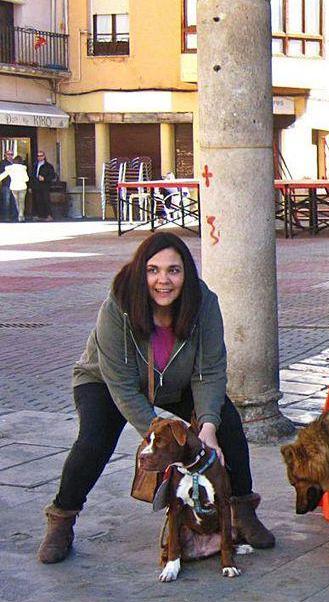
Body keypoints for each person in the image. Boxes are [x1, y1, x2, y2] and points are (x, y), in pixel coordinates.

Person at [37, 231, 275, 564]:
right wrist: (158, 434)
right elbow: (119, 383)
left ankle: (242, 509)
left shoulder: (203, 303)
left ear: (186, 274)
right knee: (93, 440)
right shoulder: (117, 307)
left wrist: (207, 427)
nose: (163, 280)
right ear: (141, 272)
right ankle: (62, 518)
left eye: (173, 270)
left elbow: (210, 370)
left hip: (177, 384)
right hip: (105, 381)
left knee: (228, 424)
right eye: (153, 270)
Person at [0, 155, 30, 222]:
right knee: (21, 202)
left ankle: (18, 215)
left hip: (14, 186)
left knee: (16, 202)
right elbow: (26, 179)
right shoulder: (23, 168)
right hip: (22, 187)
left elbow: (3, 175)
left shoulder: (10, 168)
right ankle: (21, 215)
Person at [32, 149, 57, 221]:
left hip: (45, 186)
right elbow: (32, 175)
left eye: (41, 156)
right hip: (36, 185)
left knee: (46, 200)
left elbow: (52, 176)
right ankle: (40, 215)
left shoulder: (48, 166)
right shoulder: (35, 165)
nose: (39, 157)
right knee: (38, 201)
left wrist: (44, 178)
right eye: (38, 156)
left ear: (44, 156)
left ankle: (49, 215)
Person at [0, 148, 14, 221]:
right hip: (6, 185)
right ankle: (6, 217)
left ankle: (13, 216)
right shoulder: (2, 163)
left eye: (11, 154)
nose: (10, 156)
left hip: (15, 185)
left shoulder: (14, 163)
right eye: (8, 154)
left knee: (13, 201)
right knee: (6, 201)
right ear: (5, 155)